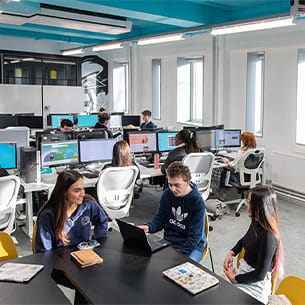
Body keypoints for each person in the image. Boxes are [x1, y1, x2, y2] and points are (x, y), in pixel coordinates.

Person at [223, 185, 284, 304]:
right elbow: (244, 239)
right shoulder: (256, 222)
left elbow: (259, 275)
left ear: (260, 207)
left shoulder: (268, 237)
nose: (246, 204)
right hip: (244, 275)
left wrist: (235, 279)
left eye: (250, 202)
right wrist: (231, 252)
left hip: (255, 286)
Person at [138, 161, 206, 262]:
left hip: (192, 246)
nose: (173, 189)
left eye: (177, 185)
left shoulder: (197, 201)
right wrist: (149, 227)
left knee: (179, 270)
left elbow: (194, 237)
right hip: (170, 241)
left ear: (187, 181)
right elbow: (160, 219)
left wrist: (178, 256)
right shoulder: (167, 194)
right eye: (170, 184)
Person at [35, 170, 108, 252]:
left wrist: (96, 241)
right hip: (60, 259)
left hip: (83, 254)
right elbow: (44, 252)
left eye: (83, 189)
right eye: (77, 191)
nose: (82, 194)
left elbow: (102, 221)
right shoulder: (48, 216)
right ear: (64, 192)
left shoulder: (89, 205)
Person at [218, 132, 257, 196]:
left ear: (244, 141)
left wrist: (227, 161)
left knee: (225, 170)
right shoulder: (255, 151)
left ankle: (222, 193)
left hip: (240, 178)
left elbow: (233, 165)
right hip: (252, 178)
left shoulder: (241, 152)